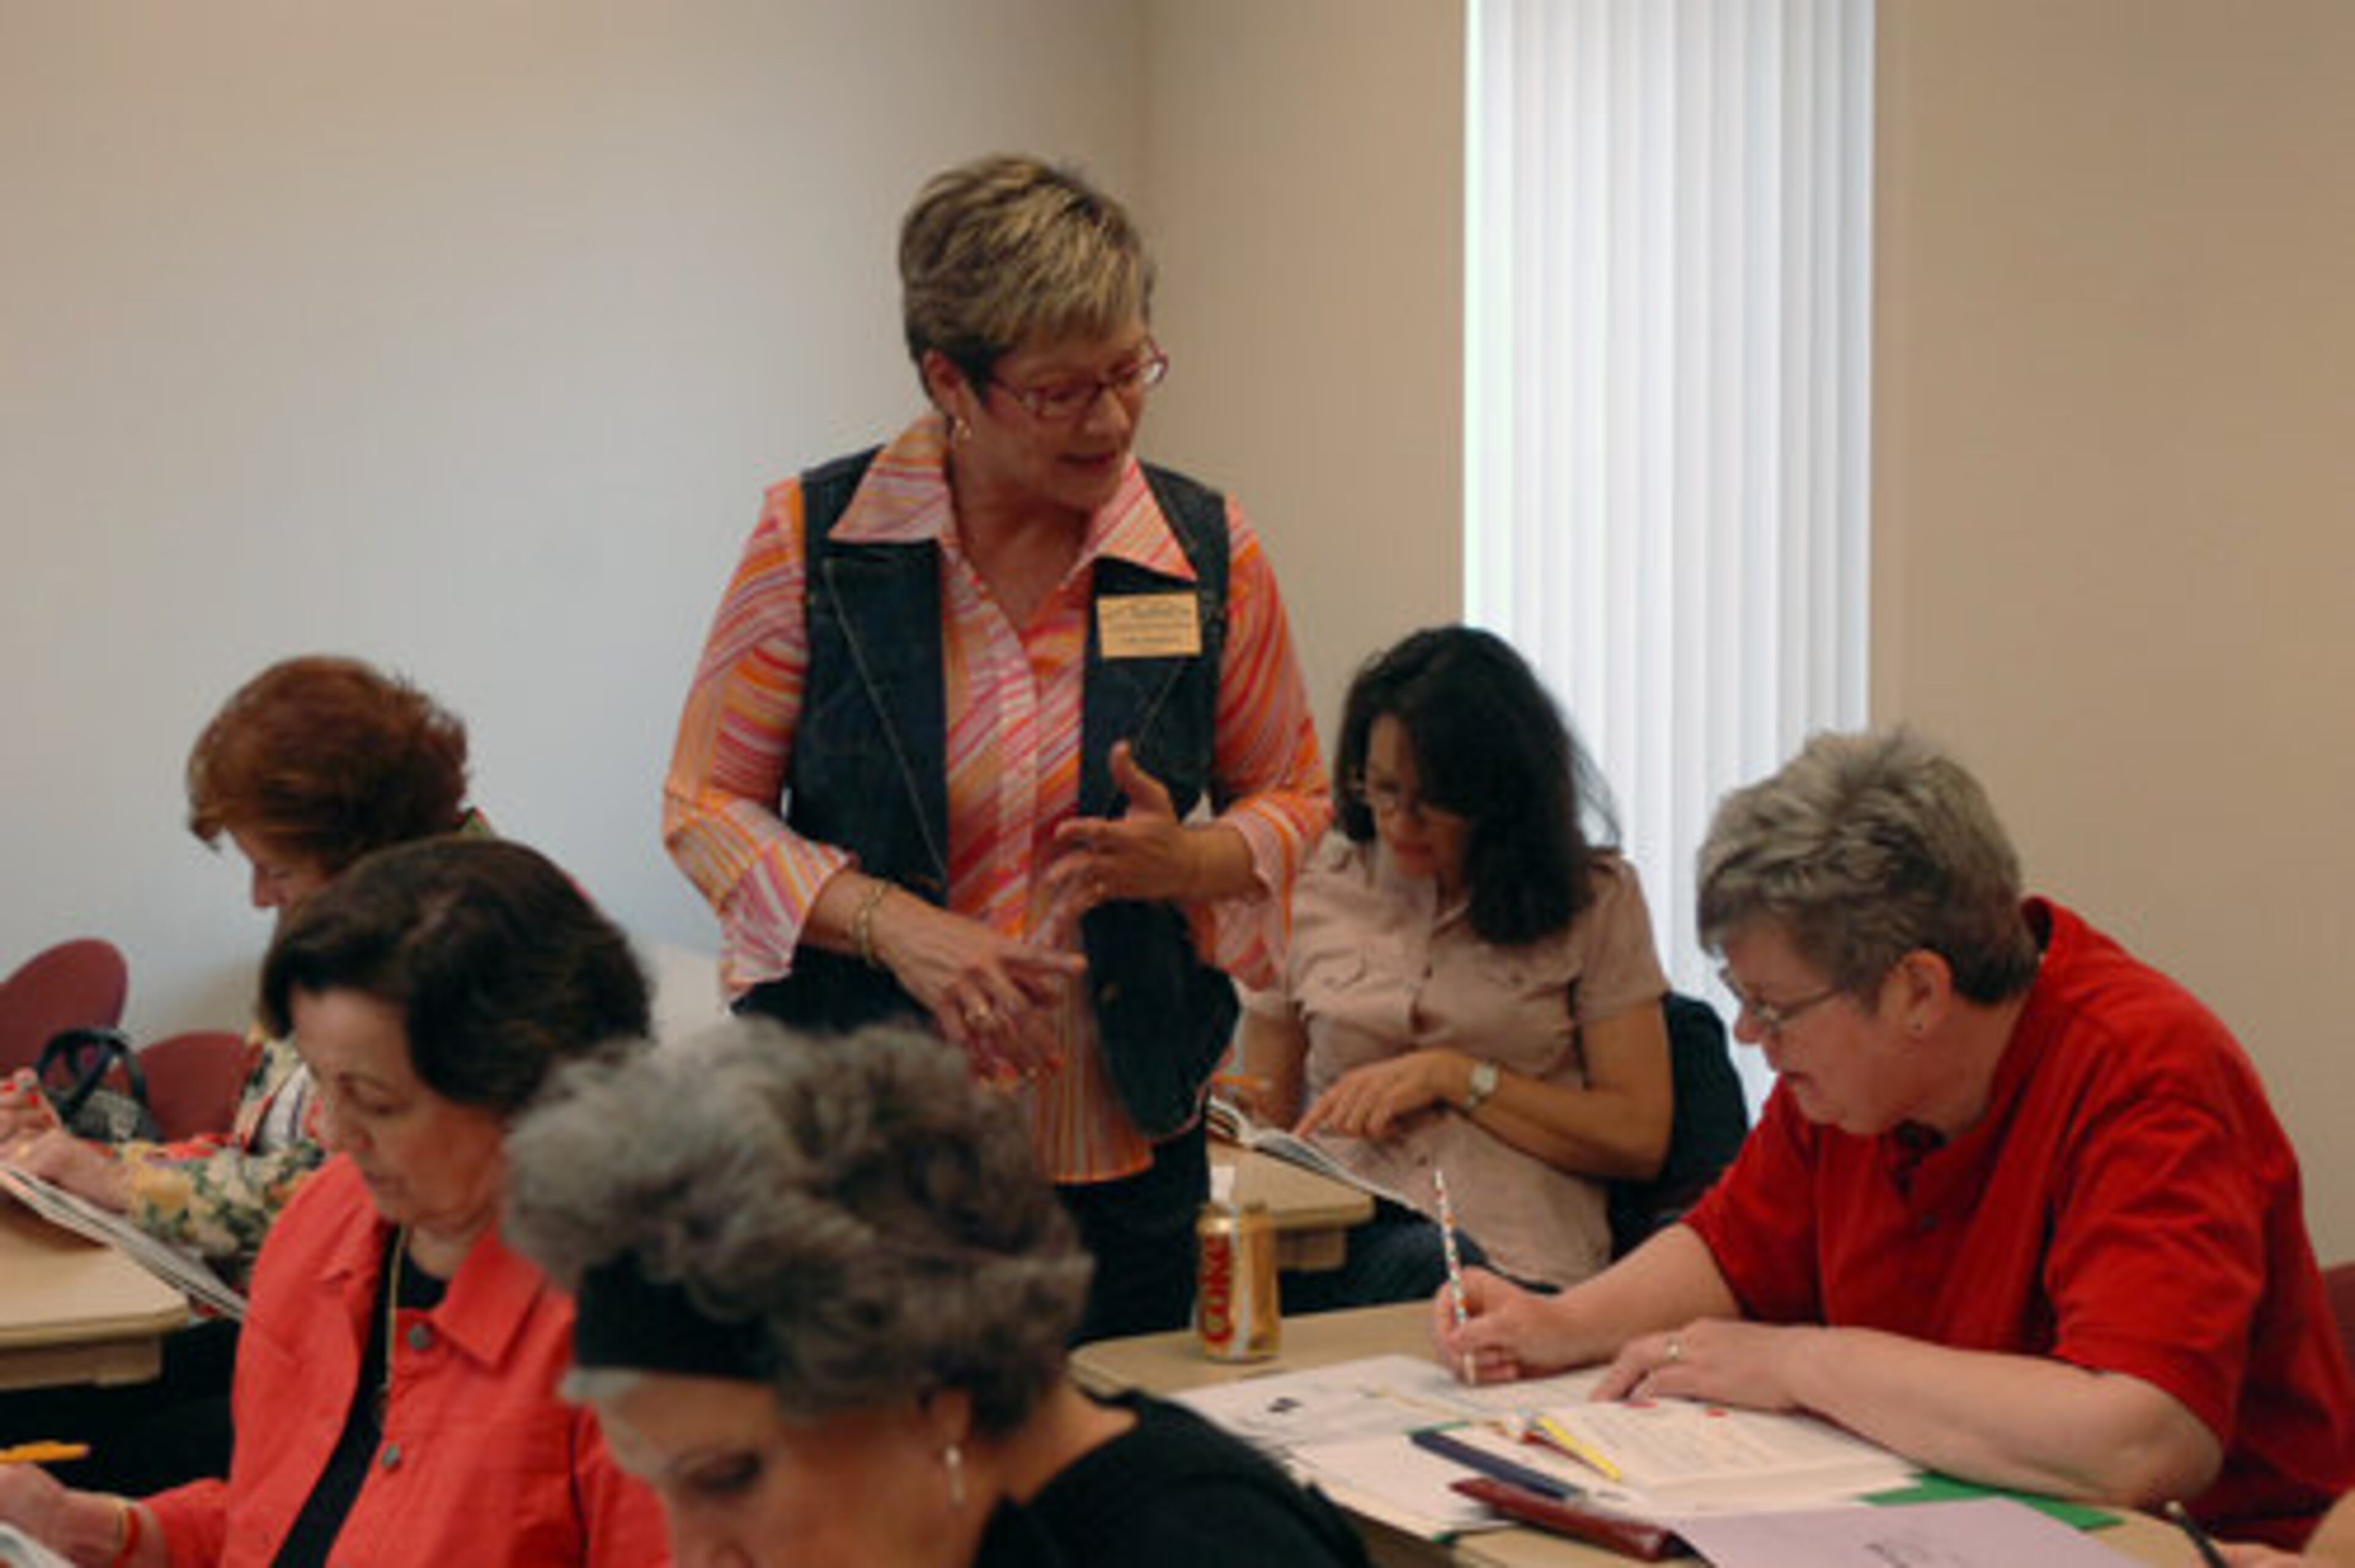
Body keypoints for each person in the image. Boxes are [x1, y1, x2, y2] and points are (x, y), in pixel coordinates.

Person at [662, 153, 1328, 1340]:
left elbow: (1296, 793)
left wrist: (1194, 863)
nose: (1112, 418)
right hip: (861, 1146)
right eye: (1062, 391)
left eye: (1133, 370)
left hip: (1120, 1145)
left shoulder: (1205, 548)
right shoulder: (817, 543)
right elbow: (707, 806)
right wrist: (902, 931)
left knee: (1089, 1499)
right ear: (949, 380)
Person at [1434, 729, 2355, 1547]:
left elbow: (2140, 1438)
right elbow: (1735, 1248)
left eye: (1775, 1006)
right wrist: (1564, 1322)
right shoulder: (1850, 1083)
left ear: (1919, 991)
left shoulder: (2146, 1073)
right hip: (1934, 1512)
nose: (1753, 1037)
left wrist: (1803, 1362)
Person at [0, 838, 668, 1566]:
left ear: (530, 1094)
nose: (333, 1133)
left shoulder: (642, 1344)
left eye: (375, 1101)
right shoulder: (331, 1227)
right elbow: (282, 1519)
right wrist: (94, 1529)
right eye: (320, 1082)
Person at [502, 1014, 1371, 1568]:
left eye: (729, 1477)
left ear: (930, 1399)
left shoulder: (1196, 1546)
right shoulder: (935, 1526)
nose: (695, 1557)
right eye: (660, 1487)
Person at [0, 653, 483, 1493]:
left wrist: (118, 1180)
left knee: (104, 1456)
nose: (261, 897)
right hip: (282, 1320)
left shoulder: (469, 954)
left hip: (384, 1369)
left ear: (365, 847)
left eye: (280, 869)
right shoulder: (340, 921)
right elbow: (258, 1151)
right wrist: (80, 1159)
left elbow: (344, 1195)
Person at [1236, 627, 1671, 1307]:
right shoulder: (1313, 882)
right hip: (1339, 1246)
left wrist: (1457, 1077)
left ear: (1496, 796)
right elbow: (1261, 1116)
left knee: (1442, 1270)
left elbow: (1638, 1135)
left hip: (1518, 1260)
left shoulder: (1593, 898)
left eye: (1432, 800)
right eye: (1382, 790)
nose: (1401, 822)